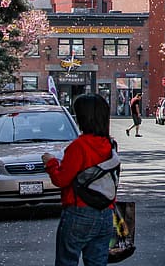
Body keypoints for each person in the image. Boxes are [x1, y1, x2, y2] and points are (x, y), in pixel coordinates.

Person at [42, 94, 115, 266]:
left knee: (67, 260)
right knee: (97, 262)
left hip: (79, 211)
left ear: (82, 118)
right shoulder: (109, 145)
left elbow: (61, 179)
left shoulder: (79, 146)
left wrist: (51, 163)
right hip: (105, 212)